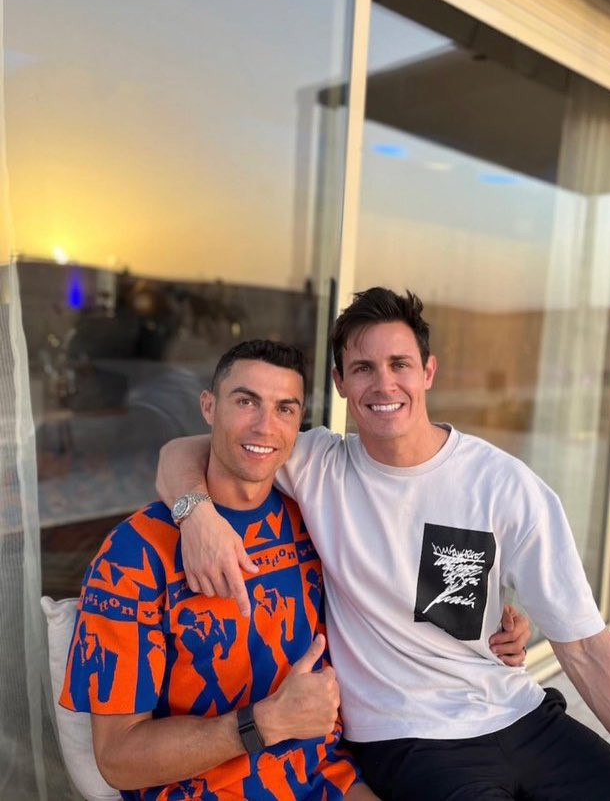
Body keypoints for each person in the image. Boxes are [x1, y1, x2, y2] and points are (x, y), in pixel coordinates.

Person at [157, 288, 610, 801]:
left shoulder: (502, 485)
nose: (384, 384)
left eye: (399, 364)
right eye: (363, 368)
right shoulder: (317, 464)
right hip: (407, 736)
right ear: (340, 382)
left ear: (428, 372)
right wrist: (195, 514)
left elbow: (583, 645)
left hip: (518, 710)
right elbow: (183, 451)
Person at [61, 340, 383, 800]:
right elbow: (118, 758)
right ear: (209, 407)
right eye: (246, 401)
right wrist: (263, 724)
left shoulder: (313, 521)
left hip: (324, 779)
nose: (265, 426)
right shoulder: (134, 554)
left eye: (285, 409)